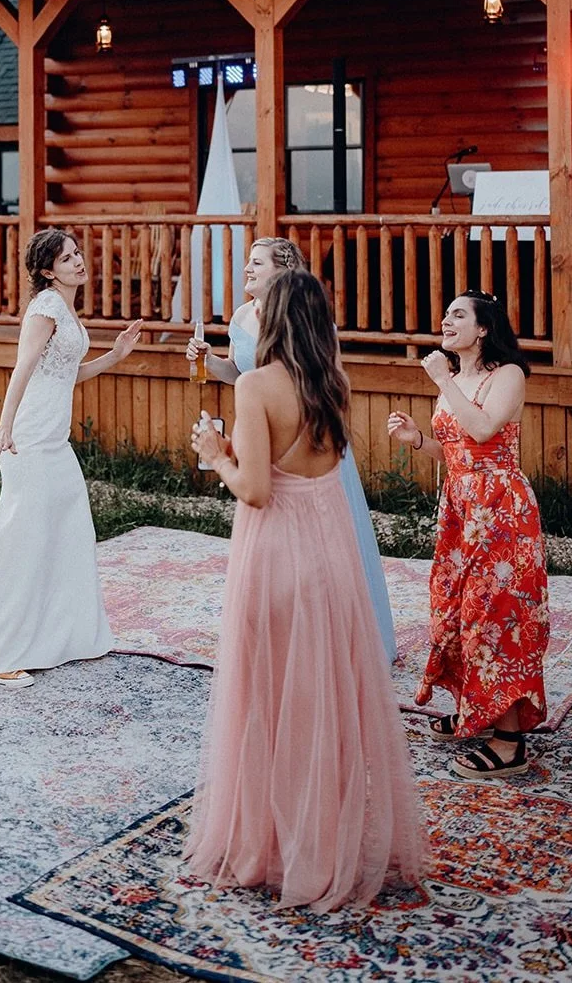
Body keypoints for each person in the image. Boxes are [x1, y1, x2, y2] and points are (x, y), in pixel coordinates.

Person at [186, 269, 423, 911]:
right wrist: (241, 450)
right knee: (321, 700)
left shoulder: (260, 385)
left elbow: (257, 490)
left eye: (259, 303)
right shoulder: (333, 382)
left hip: (277, 553)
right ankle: (326, 835)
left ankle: (278, 845)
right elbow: (302, 460)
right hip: (328, 553)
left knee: (267, 696)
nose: (250, 310)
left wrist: (215, 452)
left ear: (277, 317)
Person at [0, 229, 142, 686]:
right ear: (48, 270)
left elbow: (68, 373)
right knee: (22, 535)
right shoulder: (46, 307)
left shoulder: (65, 308)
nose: (79, 262)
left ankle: (66, 637)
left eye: (78, 254)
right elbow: (23, 368)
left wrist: (117, 355)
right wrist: (5, 426)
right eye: (68, 258)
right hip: (29, 437)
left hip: (55, 439)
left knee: (69, 530)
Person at [187, 237, 397, 662]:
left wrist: (221, 456)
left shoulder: (313, 327)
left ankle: (343, 636)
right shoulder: (242, 316)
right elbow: (238, 373)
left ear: (283, 272)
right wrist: (208, 362)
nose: (246, 269)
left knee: (330, 545)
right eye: (247, 261)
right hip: (263, 435)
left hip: (308, 444)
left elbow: (325, 388)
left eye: (256, 262)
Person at [387, 289, 548, 780]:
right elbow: (458, 450)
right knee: (456, 609)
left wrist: (441, 380)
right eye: (446, 312)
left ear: (483, 330)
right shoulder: (456, 379)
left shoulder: (509, 376)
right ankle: (476, 708)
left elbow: (482, 431)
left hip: (500, 509)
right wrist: (418, 441)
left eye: (459, 314)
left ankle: (509, 741)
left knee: (497, 612)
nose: (446, 319)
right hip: (460, 506)